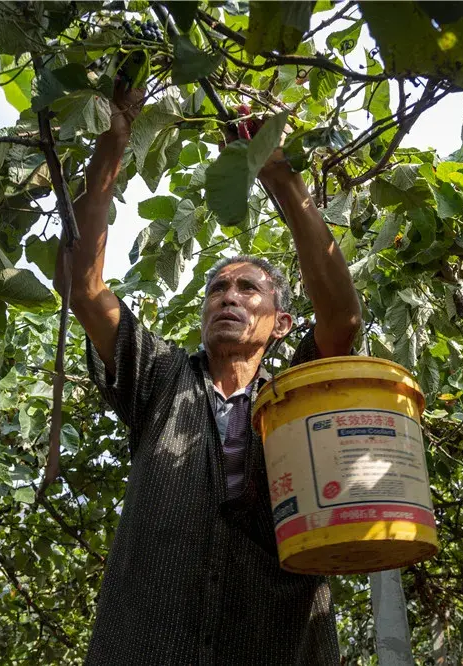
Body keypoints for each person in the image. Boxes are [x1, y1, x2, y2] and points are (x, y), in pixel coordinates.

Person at [70, 83, 362, 665]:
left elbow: (343, 321)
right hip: (149, 642)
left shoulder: (293, 398)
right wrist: (113, 141)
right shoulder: (160, 377)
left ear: (280, 323)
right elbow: (84, 286)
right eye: (216, 289)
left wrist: (277, 172)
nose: (227, 298)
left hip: (277, 643)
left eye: (246, 289)